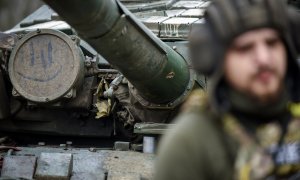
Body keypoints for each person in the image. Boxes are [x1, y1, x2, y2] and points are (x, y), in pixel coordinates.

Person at [155, 0, 300, 179]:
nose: (264, 59)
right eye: (245, 48)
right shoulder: (192, 143)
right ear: (217, 59)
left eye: (271, 43)